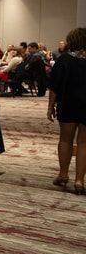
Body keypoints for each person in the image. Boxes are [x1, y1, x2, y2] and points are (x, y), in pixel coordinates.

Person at [48, 28, 86, 194]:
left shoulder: (64, 60)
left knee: (65, 139)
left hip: (68, 102)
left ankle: (63, 175)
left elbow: (54, 86)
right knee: (84, 143)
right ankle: (79, 181)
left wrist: (50, 107)